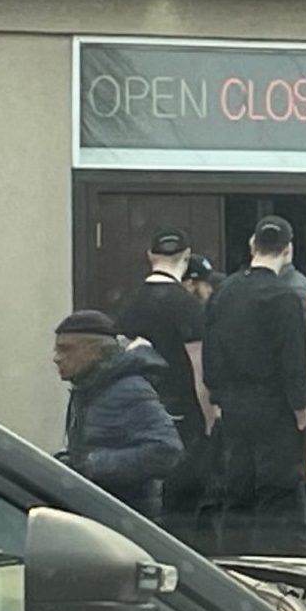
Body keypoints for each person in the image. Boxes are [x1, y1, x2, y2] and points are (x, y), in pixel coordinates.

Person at [202, 216, 306, 555]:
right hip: (275, 408)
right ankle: (277, 565)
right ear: (288, 250)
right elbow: (292, 359)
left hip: (234, 407)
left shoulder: (224, 293)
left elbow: (211, 350)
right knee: (277, 494)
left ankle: (235, 564)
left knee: (237, 491)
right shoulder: (284, 297)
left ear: (252, 246)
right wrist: (301, 409)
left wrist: (217, 397)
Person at [117, 230, 215, 541]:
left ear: (150, 256)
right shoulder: (188, 306)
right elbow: (199, 370)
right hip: (181, 416)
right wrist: (210, 418)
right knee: (182, 509)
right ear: (186, 258)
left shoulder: (129, 305)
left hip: (137, 413)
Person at [53, 310, 184, 520]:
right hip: (105, 513)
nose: (56, 358)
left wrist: (90, 464)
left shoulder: (128, 389)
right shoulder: (89, 387)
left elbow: (167, 451)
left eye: (66, 349)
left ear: (95, 351)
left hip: (129, 518)